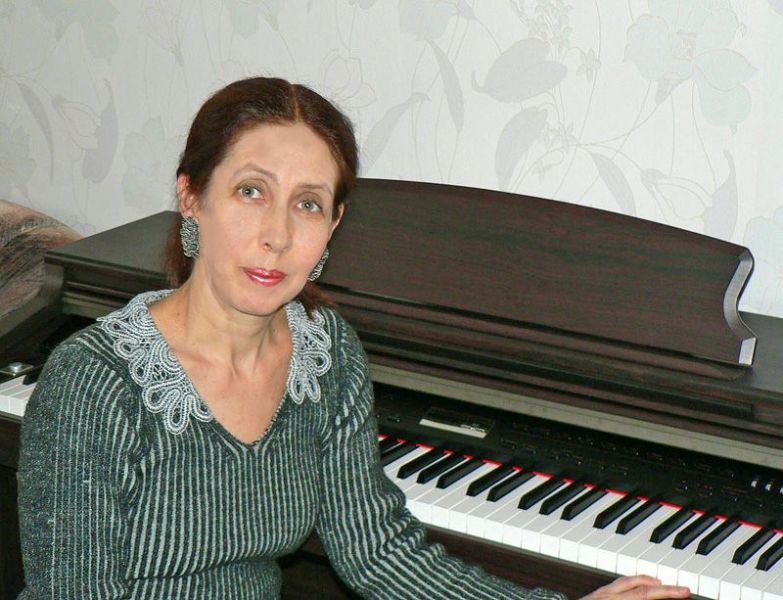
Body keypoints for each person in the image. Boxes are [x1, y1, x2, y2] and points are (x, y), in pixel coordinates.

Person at [16, 76, 692, 600]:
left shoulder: (325, 353)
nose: (277, 235)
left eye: (307, 204)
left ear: (333, 225)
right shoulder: (94, 382)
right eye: (251, 192)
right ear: (191, 197)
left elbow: (377, 551)